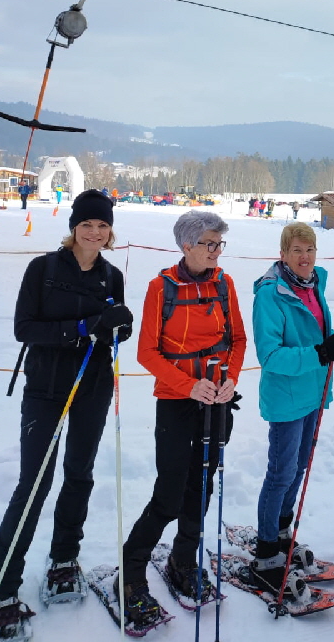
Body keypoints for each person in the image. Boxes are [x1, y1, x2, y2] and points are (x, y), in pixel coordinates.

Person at [0, 190, 132, 639]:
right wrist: (82, 329)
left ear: (109, 232)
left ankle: (64, 557)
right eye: (87, 224)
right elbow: (24, 328)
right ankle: (4, 586)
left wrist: (119, 328)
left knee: (80, 474)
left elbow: (115, 333)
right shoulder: (43, 269)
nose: (94, 232)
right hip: (47, 389)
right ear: (74, 227)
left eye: (102, 226)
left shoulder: (112, 275)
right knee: (34, 483)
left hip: (92, 387)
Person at [119, 210, 246, 631]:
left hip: (218, 399)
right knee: (170, 491)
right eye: (209, 243)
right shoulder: (161, 288)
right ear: (186, 245)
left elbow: (237, 340)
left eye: (219, 244)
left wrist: (229, 380)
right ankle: (132, 569)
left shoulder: (224, 284)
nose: (216, 251)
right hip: (177, 400)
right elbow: (147, 352)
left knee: (203, 484)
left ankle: (182, 558)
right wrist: (187, 384)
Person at [250, 224, 334, 603]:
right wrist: (321, 354)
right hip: (286, 398)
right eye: (297, 250)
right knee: (281, 471)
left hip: (313, 394)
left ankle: (283, 532)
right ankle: (266, 549)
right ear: (283, 254)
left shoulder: (313, 285)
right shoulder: (271, 295)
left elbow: (320, 343)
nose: (305, 257)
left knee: (298, 468)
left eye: (310, 250)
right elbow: (270, 356)